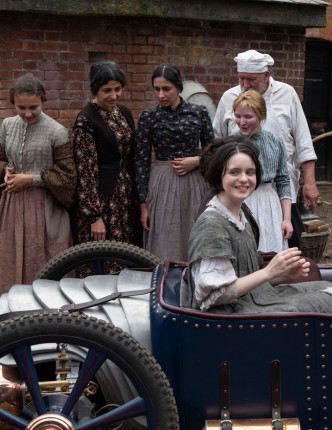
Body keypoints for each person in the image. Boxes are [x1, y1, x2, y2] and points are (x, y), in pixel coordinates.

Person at [185, 137, 332, 314]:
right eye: (234, 172)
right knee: (327, 301)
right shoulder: (211, 225)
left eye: (250, 172)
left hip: (250, 300)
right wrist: (269, 272)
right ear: (218, 175)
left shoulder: (238, 215)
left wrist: (280, 275)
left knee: (328, 291)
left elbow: (243, 278)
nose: (244, 179)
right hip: (228, 316)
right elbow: (215, 294)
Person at [212, 49, 318, 248]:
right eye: (241, 78)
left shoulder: (287, 94)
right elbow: (216, 143)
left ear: (266, 75)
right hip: (237, 190)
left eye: (251, 79)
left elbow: (303, 142)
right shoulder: (229, 97)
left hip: (281, 187)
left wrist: (310, 183)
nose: (245, 84)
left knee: (288, 242)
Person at [0, 74, 76, 292]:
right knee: (9, 258)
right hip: (12, 206)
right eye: (21, 107)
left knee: (42, 261)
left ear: (43, 100)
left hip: (46, 208)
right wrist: (6, 170)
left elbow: (68, 176)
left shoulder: (56, 131)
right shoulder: (7, 125)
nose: (27, 113)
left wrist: (31, 179)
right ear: (13, 104)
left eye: (33, 107)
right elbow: (2, 158)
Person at [135, 63, 214, 261]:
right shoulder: (149, 117)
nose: (161, 95)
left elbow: (214, 151)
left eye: (166, 89)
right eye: (156, 89)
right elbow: (141, 161)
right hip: (162, 184)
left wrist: (197, 161)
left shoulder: (198, 112)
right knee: (164, 237)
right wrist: (143, 204)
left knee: (195, 235)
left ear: (179, 87)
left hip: (195, 184)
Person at [72, 61, 140, 258]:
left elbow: (132, 155)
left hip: (125, 197)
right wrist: (94, 216)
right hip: (101, 201)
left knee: (127, 254)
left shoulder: (124, 113)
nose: (114, 96)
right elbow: (85, 172)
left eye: (118, 89)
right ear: (95, 90)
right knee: (103, 255)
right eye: (107, 91)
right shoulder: (86, 120)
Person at [233, 90, 291, 253]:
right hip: (239, 200)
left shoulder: (274, 142)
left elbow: (283, 180)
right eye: (238, 116)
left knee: (269, 252)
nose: (242, 122)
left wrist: (287, 219)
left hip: (268, 204)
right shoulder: (231, 143)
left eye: (248, 117)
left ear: (261, 116)